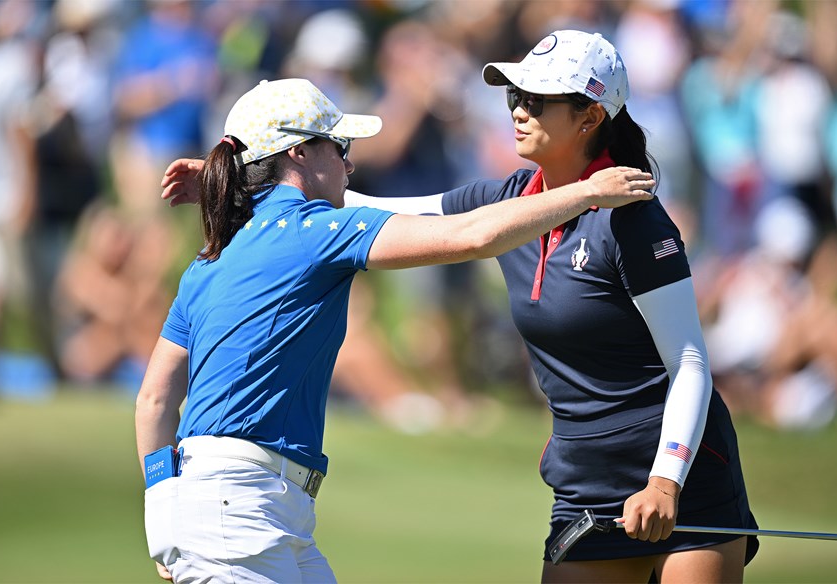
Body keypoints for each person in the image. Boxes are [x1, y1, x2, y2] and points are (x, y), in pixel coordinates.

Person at [162, 30, 759, 584]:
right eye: (514, 97)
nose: (519, 110)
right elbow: (374, 206)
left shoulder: (632, 217)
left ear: (590, 116)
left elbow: (689, 363)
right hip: (585, 483)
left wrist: (665, 482)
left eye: (537, 99)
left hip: (680, 476)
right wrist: (241, 181)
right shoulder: (507, 200)